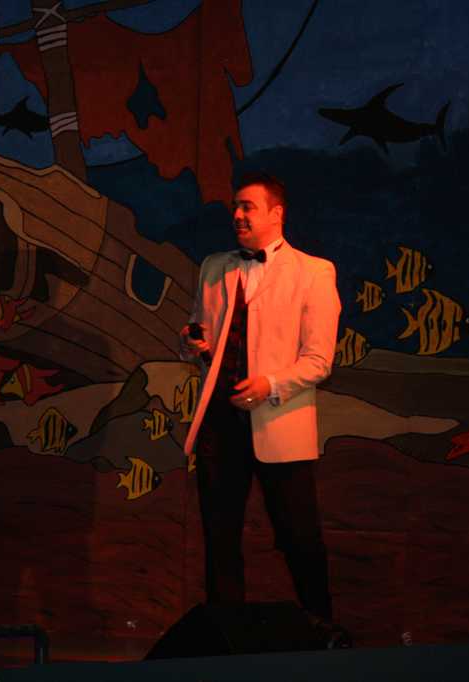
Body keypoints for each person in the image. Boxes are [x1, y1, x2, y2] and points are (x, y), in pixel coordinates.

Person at [179, 172, 343, 632]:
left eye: (247, 207)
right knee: (219, 536)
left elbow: (319, 360)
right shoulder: (214, 267)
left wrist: (270, 384)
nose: (237, 215)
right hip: (220, 422)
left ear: (276, 213)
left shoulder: (313, 272)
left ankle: (322, 630)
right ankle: (223, 634)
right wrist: (193, 344)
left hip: (278, 423)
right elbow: (199, 330)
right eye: (235, 206)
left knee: (298, 536)